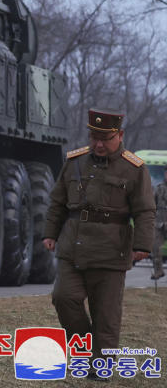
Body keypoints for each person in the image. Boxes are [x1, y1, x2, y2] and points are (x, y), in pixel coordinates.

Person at [42, 109, 156, 381]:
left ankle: (100, 368)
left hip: (111, 252)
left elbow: (145, 211)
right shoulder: (75, 161)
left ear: (120, 135)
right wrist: (50, 233)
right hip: (73, 247)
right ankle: (87, 346)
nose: (99, 144)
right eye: (94, 137)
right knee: (63, 297)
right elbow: (57, 202)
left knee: (106, 315)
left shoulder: (134, 168)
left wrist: (142, 244)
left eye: (106, 138)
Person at [152, 178, 166, 280]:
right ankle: (158, 271)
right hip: (159, 223)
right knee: (156, 248)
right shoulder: (159, 188)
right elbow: (152, 205)